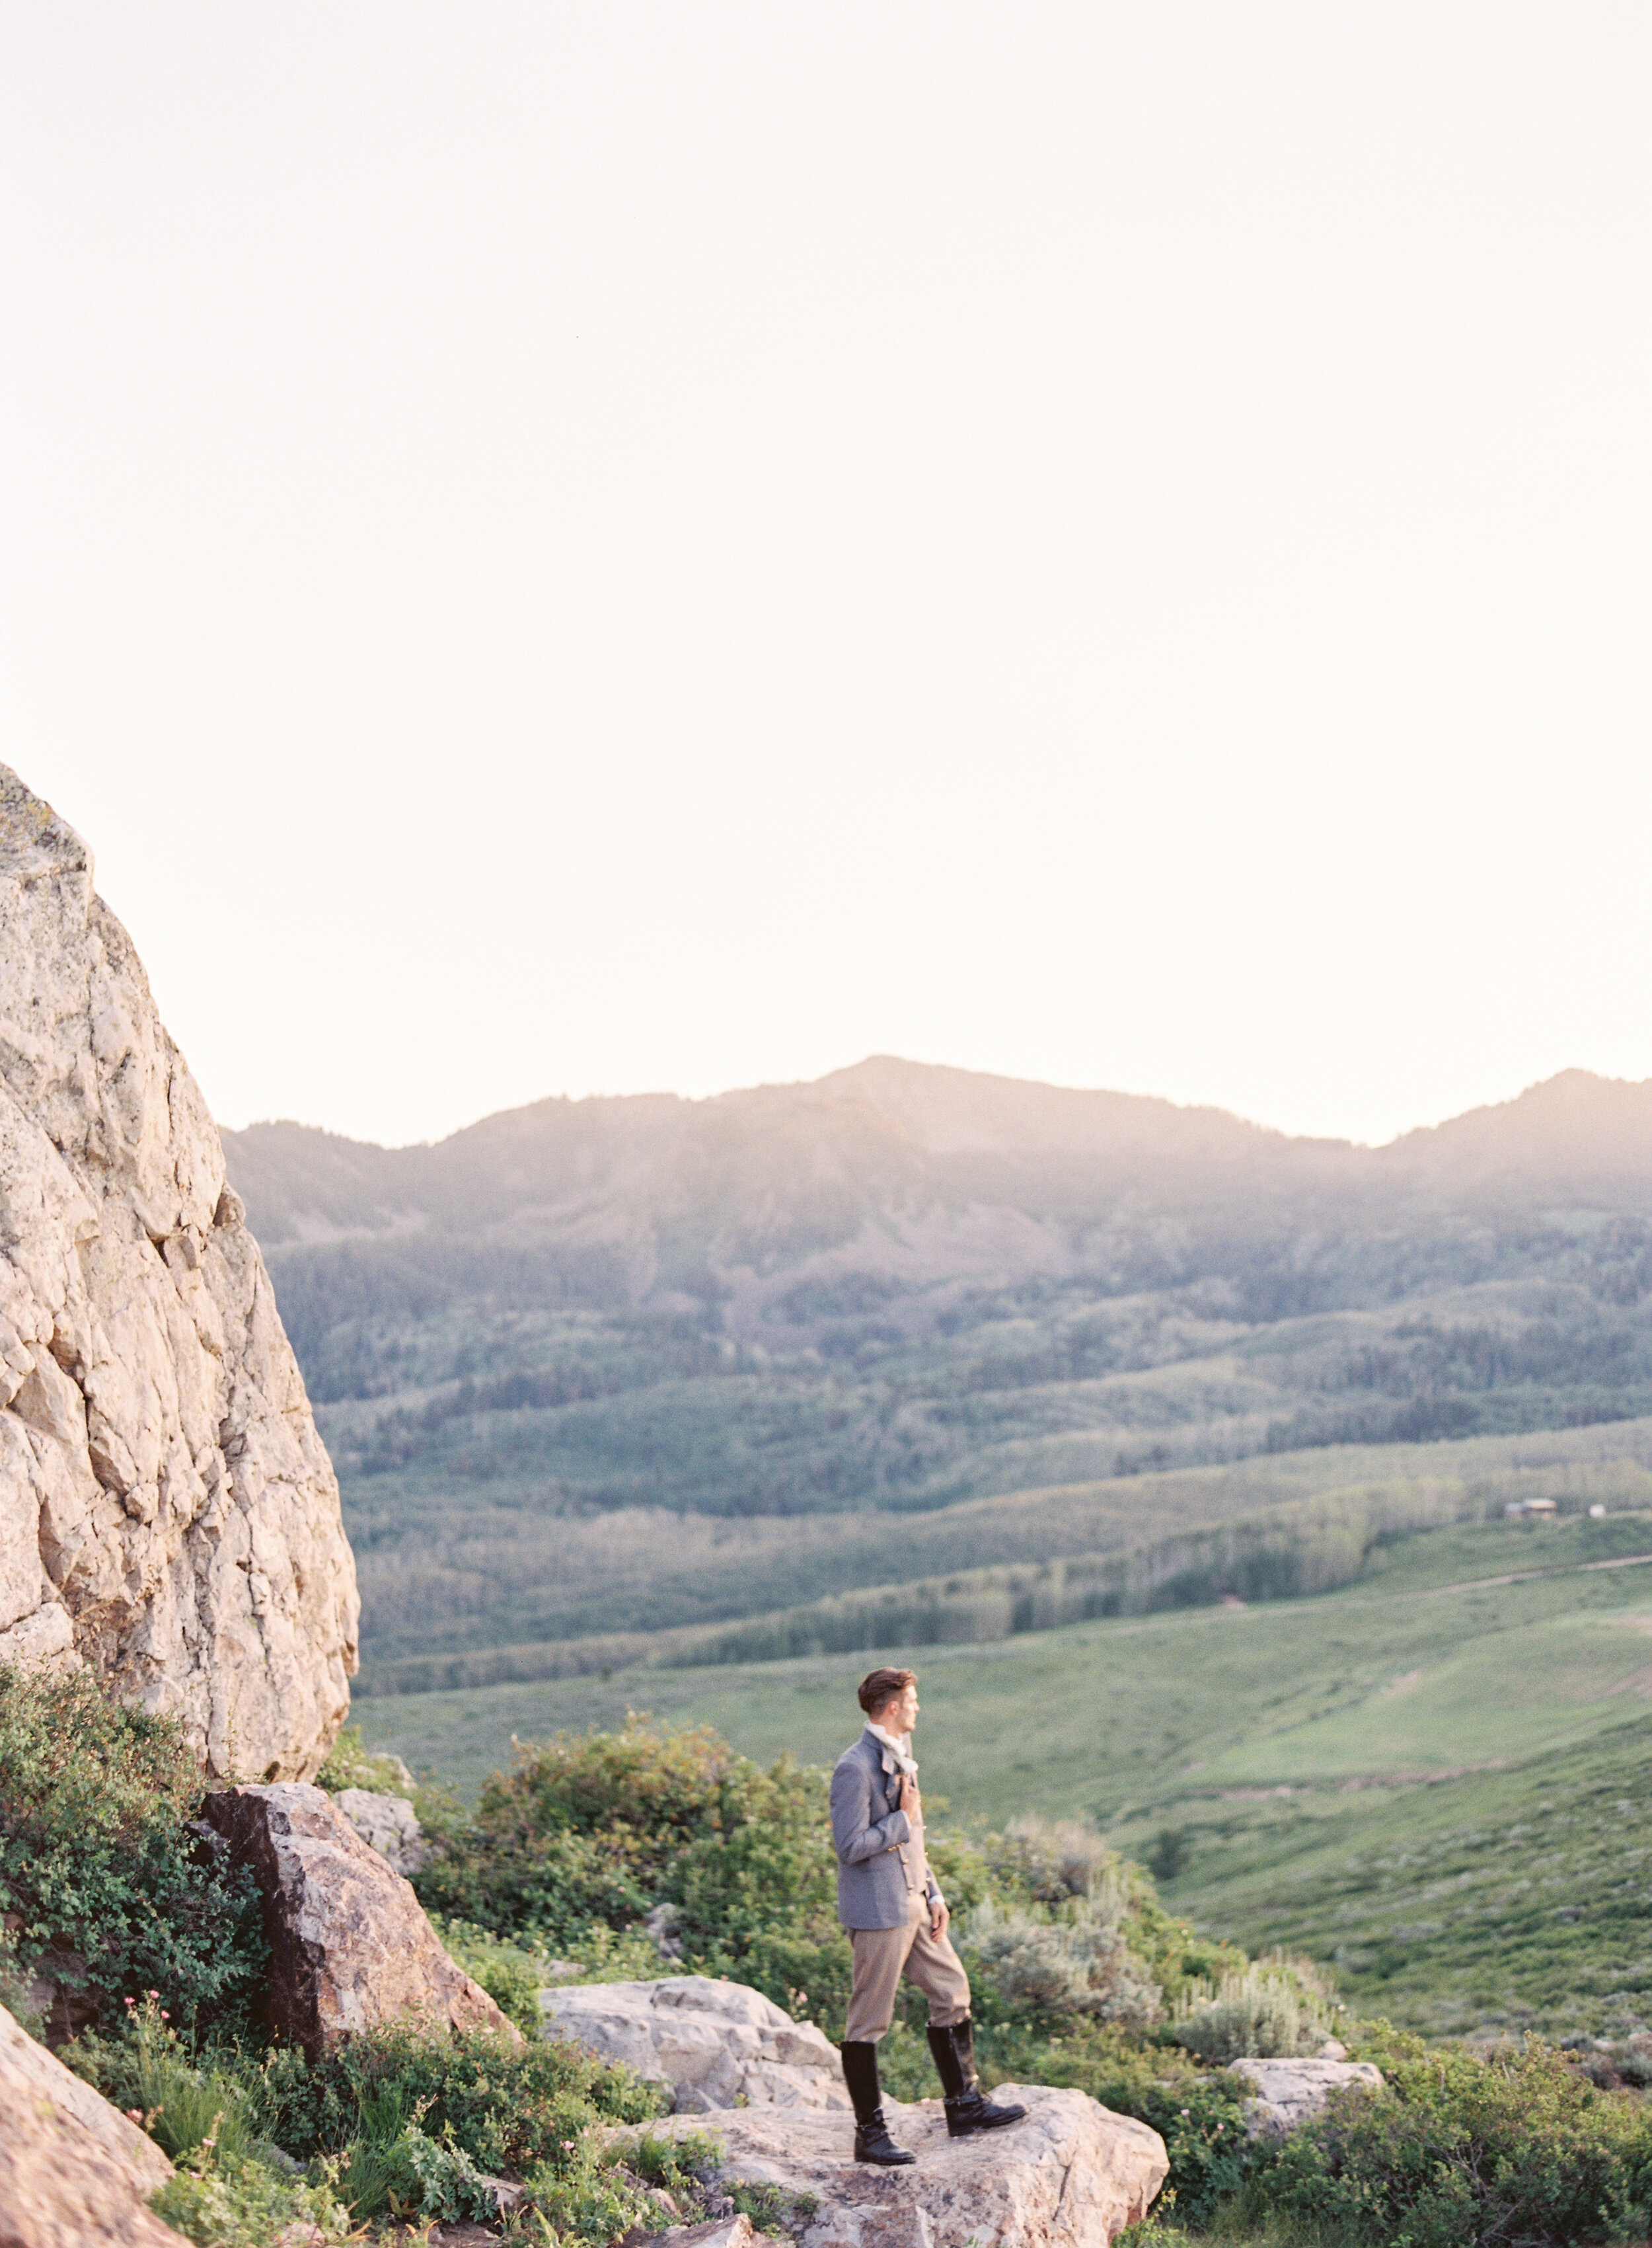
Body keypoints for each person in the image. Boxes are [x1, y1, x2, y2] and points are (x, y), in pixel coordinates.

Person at [829, 1665, 1026, 2165]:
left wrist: (933, 1892)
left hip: (915, 1900)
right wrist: (902, 1817)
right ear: (892, 1706)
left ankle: (965, 2106)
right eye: (913, 1700)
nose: (918, 1707)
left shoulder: (902, 1755)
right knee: (868, 2021)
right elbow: (850, 1846)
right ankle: (869, 2136)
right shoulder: (854, 1767)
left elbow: (915, 1838)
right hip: (878, 1912)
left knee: (953, 1991)